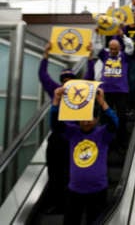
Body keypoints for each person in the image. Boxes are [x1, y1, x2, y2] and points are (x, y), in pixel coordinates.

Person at [39, 41, 95, 213]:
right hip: (57, 137)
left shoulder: (81, 90)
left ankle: (70, 204)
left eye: (70, 79)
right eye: (64, 80)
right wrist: (45, 54)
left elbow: (91, 76)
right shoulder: (56, 90)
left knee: (71, 173)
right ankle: (57, 204)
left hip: (75, 138)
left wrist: (90, 56)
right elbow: (43, 75)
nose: (66, 82)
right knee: (55, 174)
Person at [50, 87, 118, 225]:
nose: (87, 121)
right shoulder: (72, 132)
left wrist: (102, 102)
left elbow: (114, 123)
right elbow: (56, 125)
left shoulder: (103, 134)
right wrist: (56, 101)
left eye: (90, 117)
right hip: (74, 190)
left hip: (98, 190)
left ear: (97, 118)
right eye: (83, 118)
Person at [96, 30, 134, 148]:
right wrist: (97, 33)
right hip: (105, 91)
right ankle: (106, 140)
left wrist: (123, 36)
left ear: (119, 48)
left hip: (121, 91)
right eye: (111, 48)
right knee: (104, 117)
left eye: (115, 49)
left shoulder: (124, 56)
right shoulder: (104, 55)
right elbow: (97, 46)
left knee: (121, 117)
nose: (112, 51)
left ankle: (121, 141)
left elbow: (130, 46)